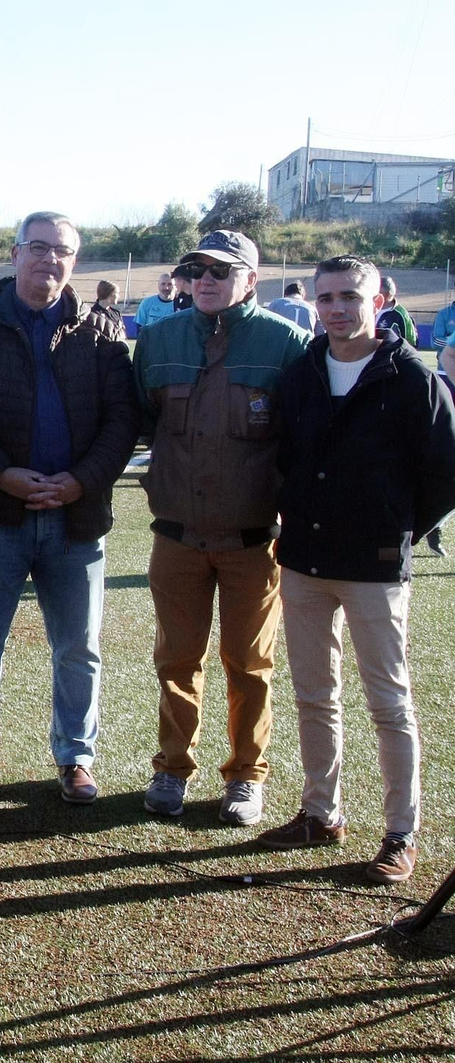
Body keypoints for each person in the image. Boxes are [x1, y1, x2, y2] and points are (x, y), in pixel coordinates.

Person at [255, 255, 455, 884]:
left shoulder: (413, 380)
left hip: (373, 566)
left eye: (349, 296)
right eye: (327, 298)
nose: (337, 308)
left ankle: (401, 833)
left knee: (389, 702)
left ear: (380, 300)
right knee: (315, 696)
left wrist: (396, 529)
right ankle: (321, 812)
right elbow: (284, 457)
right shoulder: (303, 373)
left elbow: (444, 474)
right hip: (306, 562)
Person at [0, 213, 136, 804]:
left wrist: (81, 483)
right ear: (14, 254)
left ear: (74, 261)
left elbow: (121, 422)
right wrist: (1, 474)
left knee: (78, 647)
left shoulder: (102, 333)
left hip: (75, 518)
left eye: (62, 250)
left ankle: (75, 758)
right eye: (37, 247)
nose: (48, 259)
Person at [133, 230, 310, 824]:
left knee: (250, 665)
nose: (206, 280)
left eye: (222, 271)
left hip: (252, 542)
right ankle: (171, 768)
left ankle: (245, 776)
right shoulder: (156, 341)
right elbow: (136, 421)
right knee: (176, 660)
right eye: (197, 270)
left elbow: (308, 437)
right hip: (176, 536)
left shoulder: (288, 344)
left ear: (251, 280)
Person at [376, 276, 417, 348]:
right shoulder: (369, 309)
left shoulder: (400, 314)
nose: (376, 297)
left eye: (380, 294)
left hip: (389, 357)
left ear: (389, 295)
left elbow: (410, 341)